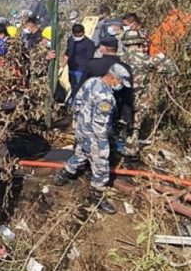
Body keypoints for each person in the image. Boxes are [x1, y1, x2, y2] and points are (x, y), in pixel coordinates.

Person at [53, 64, 132, 215]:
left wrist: (77, 124)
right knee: (102, 168)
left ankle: (62, 175)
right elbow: (100, 126)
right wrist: (103, 146)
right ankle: (97, 197)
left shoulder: (91, 82)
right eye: (120, 82)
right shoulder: (106, 98)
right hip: (94, 136)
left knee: (81, 154)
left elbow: (76, 104)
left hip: (81, 130)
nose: (120, 85)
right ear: (113, 78)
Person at [119, 30, 176, 157]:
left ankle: (116, 149)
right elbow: (172, 70)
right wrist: (162, 57)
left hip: (121, 100)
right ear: (140, 43)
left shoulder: (118, 58)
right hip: (139, 100)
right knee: (134, 127)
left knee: (119, 125)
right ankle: (131, 152)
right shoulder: (146, 60)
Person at [80, 37, 134, 137]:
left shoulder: (92, 64)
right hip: (117, 109)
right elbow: (128, 93)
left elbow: (82, 87)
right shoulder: (125, 67)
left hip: (93, 109)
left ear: (102, 48)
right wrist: (127, 115)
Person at [63, 23, 96, 90]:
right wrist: (62, 65)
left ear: (83, 32)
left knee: (78, 89)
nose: (77, 37)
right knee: (72, 87)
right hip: (71, 69)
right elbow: (68, 52)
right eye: (76, 35)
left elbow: (90, 59)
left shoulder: (89, 44)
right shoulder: (71, 40)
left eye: (79, 35)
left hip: (81, 70)